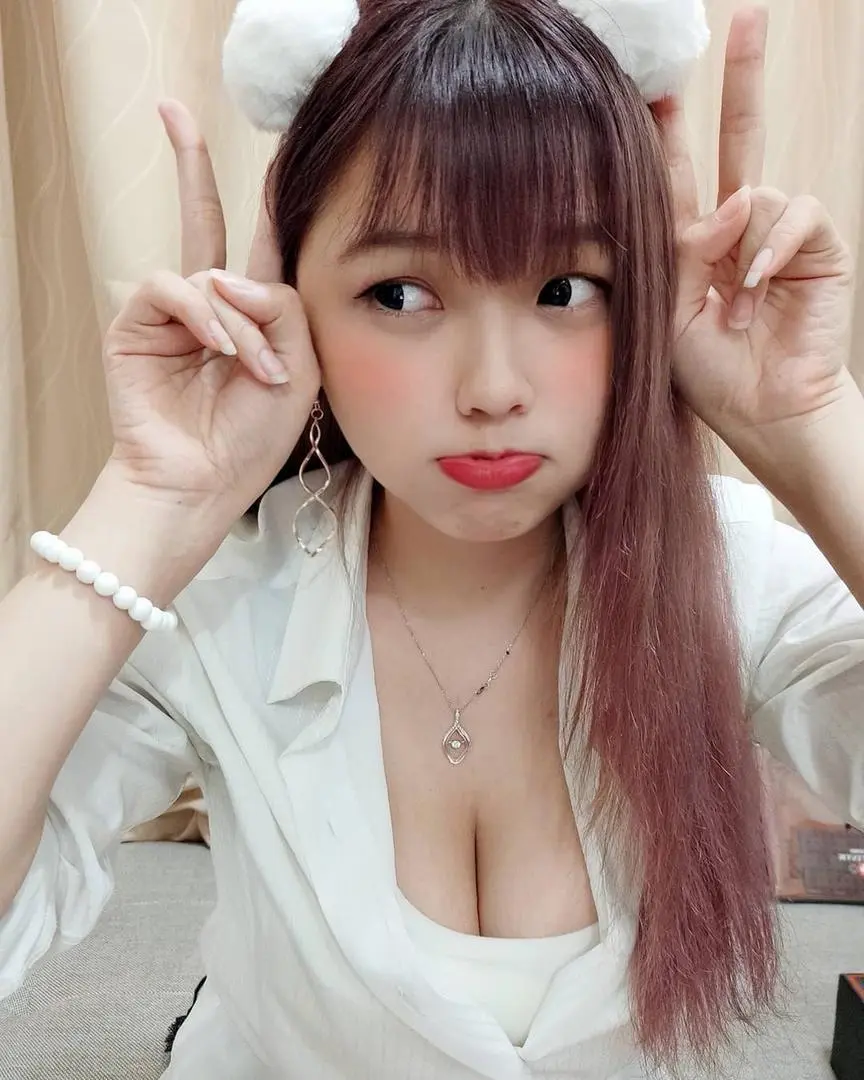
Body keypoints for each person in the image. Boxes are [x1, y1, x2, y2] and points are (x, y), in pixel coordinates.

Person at [0, 1, 862, 1077]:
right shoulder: (225, 596)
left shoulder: (729, 573)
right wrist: (149, 500)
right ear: (292, 298)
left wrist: (811, 420)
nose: (493, 389)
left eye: (566, 289)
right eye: (401, 293)